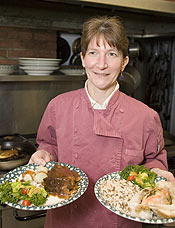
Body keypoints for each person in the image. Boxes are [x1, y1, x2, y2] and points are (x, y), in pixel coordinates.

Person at [29, 15, 175, 228]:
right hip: (65, 219)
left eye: (112, 54)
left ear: (124, 62)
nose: (101, 64)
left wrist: (158, 173)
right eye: (93, 53)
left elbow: (153, 161)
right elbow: (49, 144)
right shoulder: (58, 106)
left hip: (120, 220)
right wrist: (45, 154)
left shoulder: (146, 117)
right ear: (82, 59)